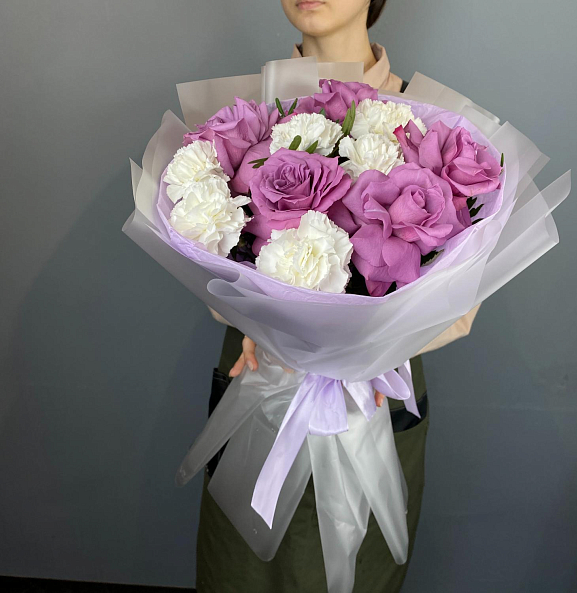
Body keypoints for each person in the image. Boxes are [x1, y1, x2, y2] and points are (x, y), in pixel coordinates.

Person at [196, 1, 480, 591]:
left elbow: (462, 300)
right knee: (243, 569)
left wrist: (368, 350)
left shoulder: (436, 127)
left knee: (354, 571)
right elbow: (204, 248)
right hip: (259, 369)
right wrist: (261, 322)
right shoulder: (242, 120)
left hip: (376, 389)